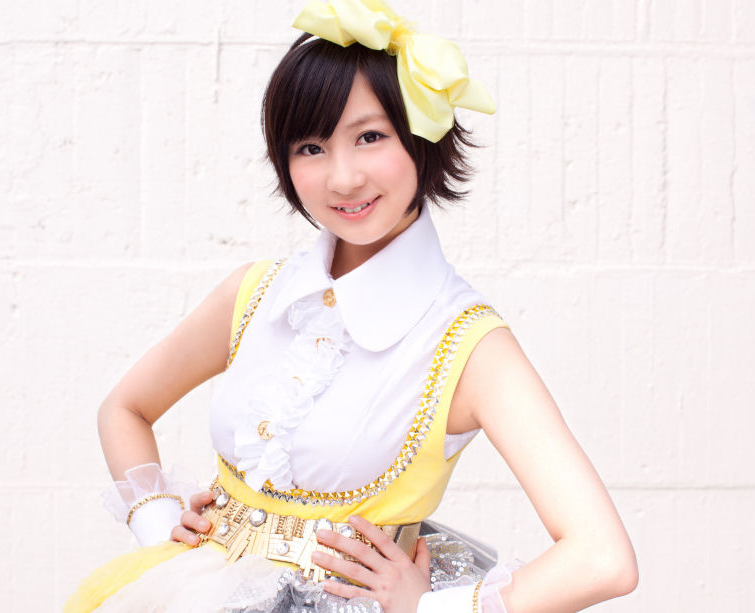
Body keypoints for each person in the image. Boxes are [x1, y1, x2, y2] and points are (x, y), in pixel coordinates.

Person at [66, 1, 638, 611]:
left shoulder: (467, 343)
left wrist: (427, 608)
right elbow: (124, 408)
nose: (342, 179)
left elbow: (602, 559)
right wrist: (159, 530)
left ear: (421, 135)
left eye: (370, 137)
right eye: (311, 147)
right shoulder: (256, 292)